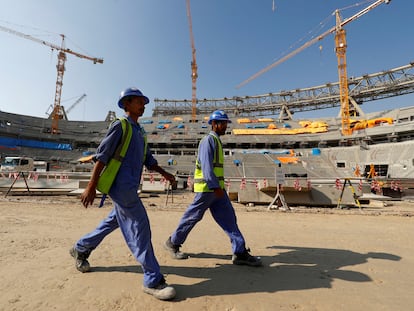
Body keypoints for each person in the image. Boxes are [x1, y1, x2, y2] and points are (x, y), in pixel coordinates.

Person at [70, 87, 176, 301]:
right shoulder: (121, 126)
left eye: (144, 102)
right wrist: (91, 185)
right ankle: (152, 279)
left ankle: (80, 248)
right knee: (140, 226)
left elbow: (149, 160)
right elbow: (102, 156)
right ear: (126, 104)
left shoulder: (140, 132)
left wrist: (166, 174)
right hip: (120, 186)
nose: (143, 105)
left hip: (129, 187)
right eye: (139, 101)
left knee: (113, 221)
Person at [164, 110, 262, 267]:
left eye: (225, 123)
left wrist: (218, 188)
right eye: (222, 123)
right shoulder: (208, 141)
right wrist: (214, 186)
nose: (225, 126)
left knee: (229, 219)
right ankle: (173, 243)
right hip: (207, 189)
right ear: (214, 124)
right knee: (192, 217)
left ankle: (240, 252)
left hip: (217, 190)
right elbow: (207, 167)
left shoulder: (216, 141)